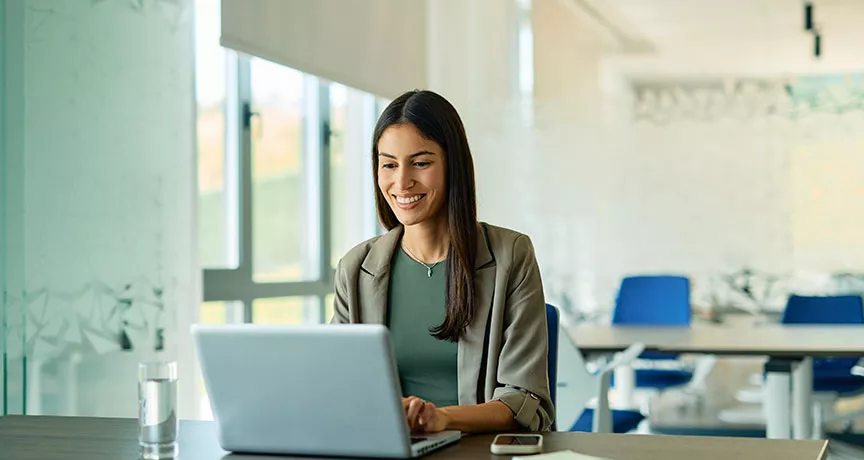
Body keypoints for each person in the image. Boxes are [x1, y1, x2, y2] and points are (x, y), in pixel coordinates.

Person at [331, 89, 553, 434]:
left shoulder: (511, 255)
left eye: (420, 163)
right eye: (389, 164)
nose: (401, 182)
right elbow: (339, 386)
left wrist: (442, 418)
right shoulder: (356, 268)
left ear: (454, 165)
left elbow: (525, 399)